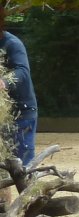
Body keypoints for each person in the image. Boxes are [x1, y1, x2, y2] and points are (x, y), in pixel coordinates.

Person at [0, 25, 37, 166]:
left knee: (23, 167)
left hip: (20, 114)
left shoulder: (12, 44)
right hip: (3, 117)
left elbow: (22, 71)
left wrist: (4, 81)